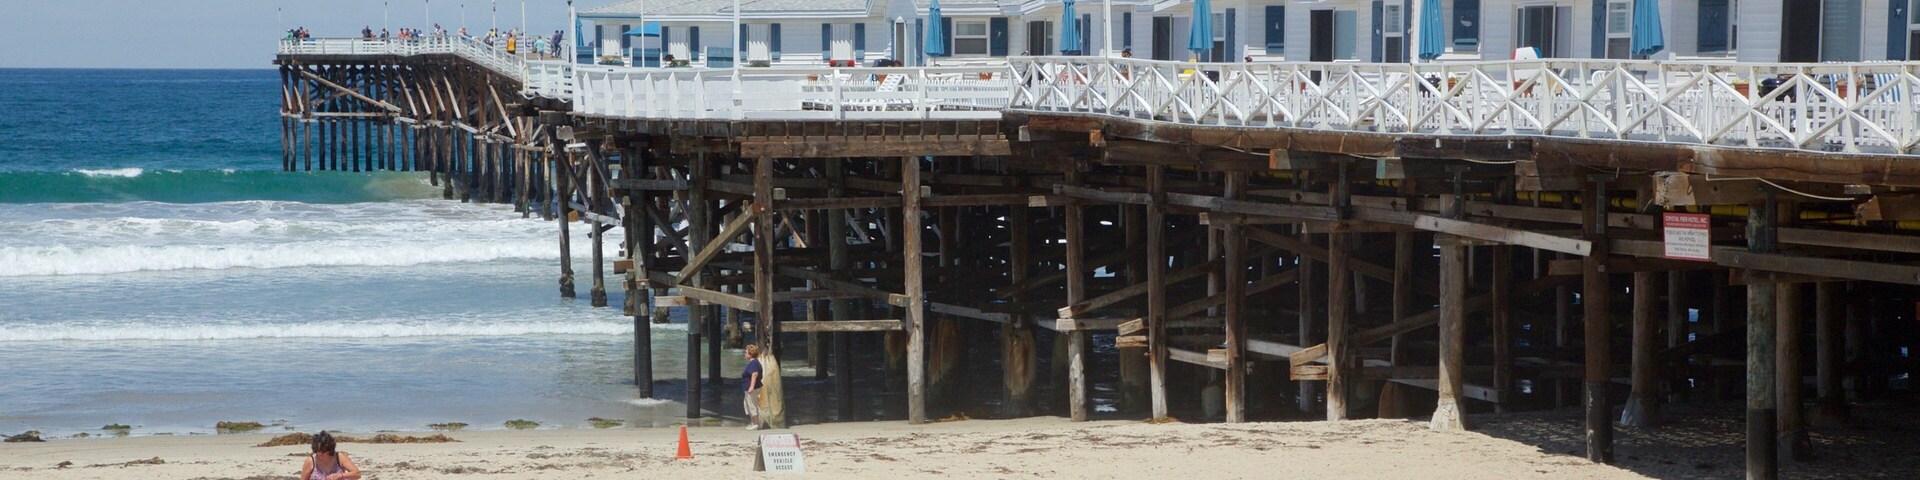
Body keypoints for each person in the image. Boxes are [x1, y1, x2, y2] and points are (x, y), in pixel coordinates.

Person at [742, 344, 765, 430]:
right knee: (748, 404)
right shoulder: (755, 362)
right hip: (753, 388)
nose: (745, 354)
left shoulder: (753, 363)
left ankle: (755, 424)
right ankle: (754, 422)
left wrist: (751, 387)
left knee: (752, 405)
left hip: (752, 388)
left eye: (746, 353)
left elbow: (754, 374)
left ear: (750, 354)